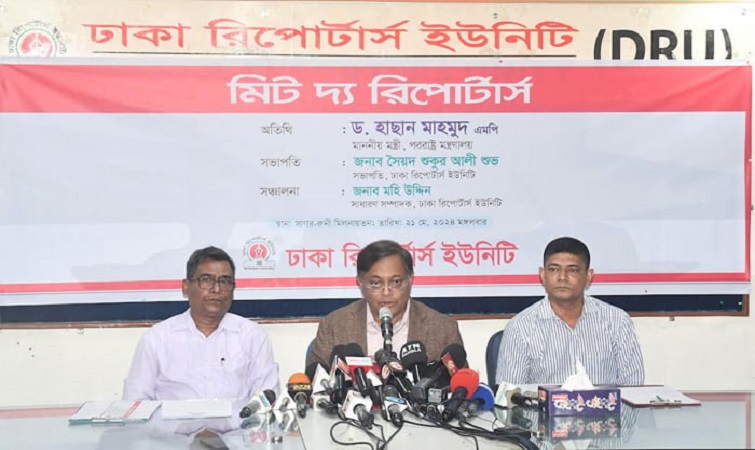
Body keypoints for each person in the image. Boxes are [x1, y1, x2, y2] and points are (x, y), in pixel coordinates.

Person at [123, 246, 279, 400]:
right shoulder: (157, 339)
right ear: (185, 287)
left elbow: (267, 401)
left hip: (237, 419)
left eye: (225, 281)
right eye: (206, 280)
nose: (216, 289)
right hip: (175, 418)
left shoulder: (252, 336)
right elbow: (135, 403)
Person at [496, 237, 644, 386]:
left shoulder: (618, 322)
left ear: (588, 276)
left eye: (572, 270)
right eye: (554, 269)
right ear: (542, 274)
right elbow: (509, 393)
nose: (562, 277)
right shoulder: (520, 327)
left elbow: (634, 387)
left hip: (603, 403)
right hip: (541, 403)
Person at [306, 239, 463, 368]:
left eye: (396, 282)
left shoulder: (443, 329)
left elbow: (462, 387)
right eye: (376, 283)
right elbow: (315, 386)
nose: (387, 292)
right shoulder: (334, 326)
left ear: (410, 280)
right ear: (360, 282)